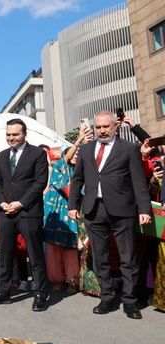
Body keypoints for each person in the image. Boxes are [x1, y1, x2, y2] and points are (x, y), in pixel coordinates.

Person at [68, 111, 152, 319]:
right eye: (98, 127)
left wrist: (144, 210)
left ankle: (130, 301)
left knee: (128, 257)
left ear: (116, 127)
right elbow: (77, 180)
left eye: (106, 126)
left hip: (123, 209)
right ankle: (107, 297)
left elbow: (138, 182)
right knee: (100, 257)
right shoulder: (86, 150)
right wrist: (73, 205)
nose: (102, 130)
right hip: (94, 209)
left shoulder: (129, 149)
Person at [0, 118, 50, 311]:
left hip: (29, 212)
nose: (11, 138)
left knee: (35, 254)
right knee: (4, 254)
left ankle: (40, 294)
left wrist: (20, 203)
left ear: (24, 134)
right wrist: (3, 203)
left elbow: (40, 182)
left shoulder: (37, 153)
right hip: (6, 212)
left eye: (15, 134)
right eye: (8, 134)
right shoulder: (2, 155)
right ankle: (3, 292)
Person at [43, 126, 92, 293]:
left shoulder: (83, 171)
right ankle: (57, 279)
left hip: (73, 212)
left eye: (79, 153)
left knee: (71, 247)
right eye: (73, 152)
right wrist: (78, 141)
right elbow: (67, 157)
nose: (76, 155)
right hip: (55, 213)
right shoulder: (60, 168)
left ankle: (72, 280)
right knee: (53, 248)